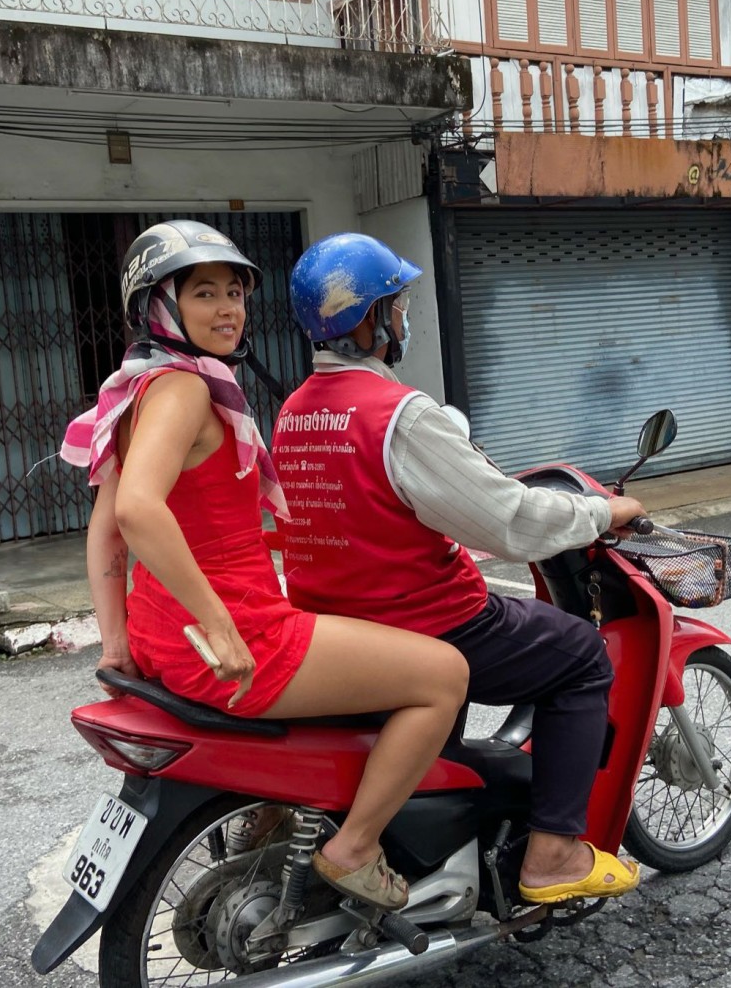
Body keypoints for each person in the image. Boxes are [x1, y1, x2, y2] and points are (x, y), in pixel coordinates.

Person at [61, 220, 468, 912]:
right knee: (444, 676)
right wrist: (220, 627)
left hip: (165, 640)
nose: (228, 310)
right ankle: (355, 848)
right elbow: (135, 512)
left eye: (235, 293)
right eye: (204, 294)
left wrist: (117, 645)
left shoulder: (136, 389)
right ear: (159, 307)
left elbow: (104, 531)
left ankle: (281, 808)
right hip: (236, 636)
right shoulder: (184, 389)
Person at [272, 232, 650, 906]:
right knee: (580, 654)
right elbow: (507, 521)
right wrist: (601, 511)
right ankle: (554, 855)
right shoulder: (400, 416)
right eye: (397, 304)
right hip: (429, 621)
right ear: (368, 318)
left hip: (336, 627)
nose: (404, 317)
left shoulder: (294, 413)